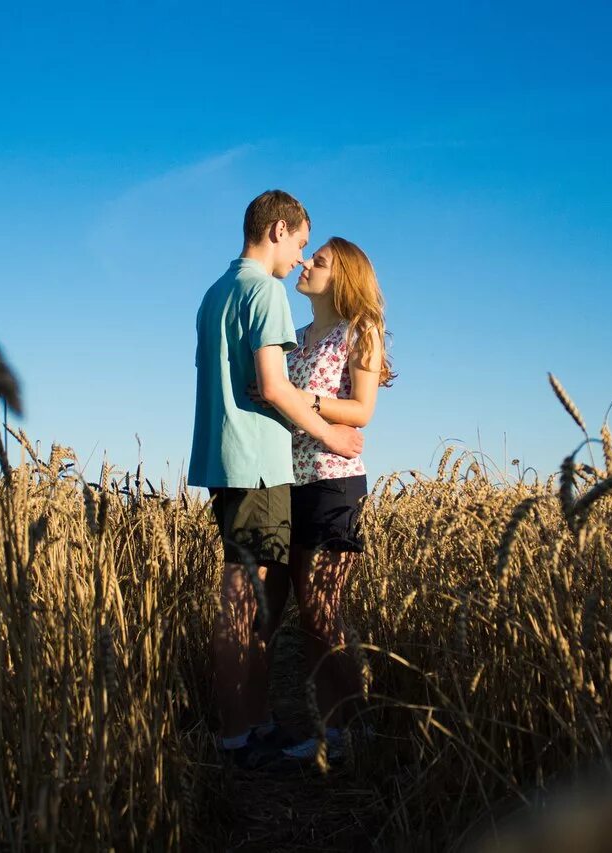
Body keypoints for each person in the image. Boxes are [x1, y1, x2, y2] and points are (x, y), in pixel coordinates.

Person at [188, 190, 364, 769]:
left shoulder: (217, 293)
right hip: (258, 463)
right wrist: (334, 435)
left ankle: (255, 723)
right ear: (278, 229)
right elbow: (272, 385)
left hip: (226, 461)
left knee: (254, 601)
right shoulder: (264, 291)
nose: (301, 256)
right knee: (246, 605)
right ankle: (242, 736)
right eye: (301, 242)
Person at [251, 236, 394, 764]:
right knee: (294, 612)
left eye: (321, 261)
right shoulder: (295, 333)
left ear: (345, 277)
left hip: (334, 481)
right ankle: (323, 732)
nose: (306, 264)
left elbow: (361, 411)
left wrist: (301, 398)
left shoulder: (361, 331)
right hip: (285, 481)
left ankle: (359, 730)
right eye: (309, 257)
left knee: (321, 608)